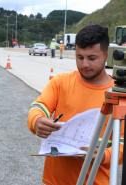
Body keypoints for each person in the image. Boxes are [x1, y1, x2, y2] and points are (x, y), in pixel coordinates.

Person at [27, 24, 124, 185]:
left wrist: (104, 155)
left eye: (92, 58)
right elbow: (38, 106)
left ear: (106, 55)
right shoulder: (61, 82)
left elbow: (121, 144)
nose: (84, 64)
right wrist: (37, 121)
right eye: (80, 57)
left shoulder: (118, 94)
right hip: (55, 180)